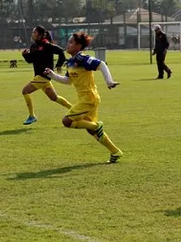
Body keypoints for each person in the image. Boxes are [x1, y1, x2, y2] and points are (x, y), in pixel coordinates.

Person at [44, 31, 124, 163]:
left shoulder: (82, 59)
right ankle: (115, 152)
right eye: (68, 42)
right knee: (91, 130)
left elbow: (102, 64)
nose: (67, 45)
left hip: (89, 99)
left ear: (79, 46)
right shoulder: (70, 62)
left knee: (67, 121)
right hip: (86, 100)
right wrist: (52, 75)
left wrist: (109, 81)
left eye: (71, 42)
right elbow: (68, 81)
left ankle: (96, 126)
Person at [21, 26, 73, 125]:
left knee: (25, 91)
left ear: (40, 35)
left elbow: (61, 51)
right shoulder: (33, 46)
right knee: (54, 98)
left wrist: (58, 64)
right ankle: (74, 110)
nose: (32, 34)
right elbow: (30, 60)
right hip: (41, 77)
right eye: (32, 32)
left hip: (43, 76)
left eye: (34, 32)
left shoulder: (47, 45)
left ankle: (32, 116)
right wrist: (25, 55)